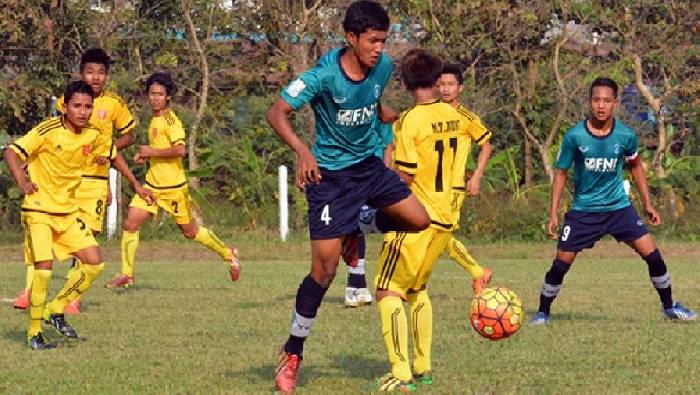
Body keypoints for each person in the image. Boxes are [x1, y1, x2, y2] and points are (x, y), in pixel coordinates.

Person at [266, 2, 430, 392]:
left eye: (384, 41)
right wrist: (303, 152)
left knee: (419, 220)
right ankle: (292, 352)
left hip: (370, 168)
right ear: (351, 37)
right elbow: (277, 113)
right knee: (323, 272)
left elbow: (369, 102)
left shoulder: (384, 69)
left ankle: (357, 225)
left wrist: (381, 111)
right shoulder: (322, 75)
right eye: (372, 41)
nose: (379, 49)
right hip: (330, 179)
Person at [530, 77, 696, 325]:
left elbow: (637, 167)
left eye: (607, 101)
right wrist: (553, 214)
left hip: (619, 209)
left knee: (653, 256)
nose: (601, 105)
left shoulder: (625, 136)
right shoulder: (575, 136)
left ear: (615, 104)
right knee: (561, 264)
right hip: (584, 212)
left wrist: (647, 204)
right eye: (596, 100)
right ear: (589, 102)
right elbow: (561, 173)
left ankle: (670, 306)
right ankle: (542, 312)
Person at [5, 80, 153, 349]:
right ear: (64, 107)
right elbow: (12, 152)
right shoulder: (48, 130)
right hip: (38, 210)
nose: (83, 111)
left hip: (68, 211)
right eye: (77, 106)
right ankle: (34, 332)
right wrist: (22, 181)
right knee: (44, 269)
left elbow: (113, 155)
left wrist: (135, 184)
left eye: (87, 106)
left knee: (94, 262)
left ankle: (56, 308)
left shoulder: (93, 134)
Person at [374, 48, 482, 391]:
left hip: (415, 219)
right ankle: (423, 366)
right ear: (437, 81)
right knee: (417, 289)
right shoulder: (453, 115)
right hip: (446, 218)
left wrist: (377, 197)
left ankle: (401, 373)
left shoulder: (410, 121)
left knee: (388, 290)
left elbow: (404, 178)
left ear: (405, 83)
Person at [12, 48, 137, 314]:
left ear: (107, 76)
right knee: (40, 240)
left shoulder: (114, 104)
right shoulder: (70, 99)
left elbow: (128, 136)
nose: (96, 77)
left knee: (86, 241)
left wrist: (107, 151)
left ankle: (72, 297)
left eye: (101, 73)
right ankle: (29, 290)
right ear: (81, 73)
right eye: (90, 71)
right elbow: (53, 133)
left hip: (94, 182)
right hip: (62, 181)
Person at [104, 72, 240, 289]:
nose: (155, 98)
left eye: (160, 94)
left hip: (174, 189)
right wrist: (146, 155)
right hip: (152, 186)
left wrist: (151, 151)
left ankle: (227, 253)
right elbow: (158, 151)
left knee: (190, 232)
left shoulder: (170, 120)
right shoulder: (154, 118)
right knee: (130, 224)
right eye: (152, 94)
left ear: (168, 97)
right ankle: (127, 274)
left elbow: (180, 150)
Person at [436, 63, 494, 295]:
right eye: (441, 84)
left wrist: (477, 175)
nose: (445, 89)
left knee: (440, 234)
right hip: (428, 186)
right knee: (429, 232)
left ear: (460, 88)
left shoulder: (467, 117)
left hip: (453, 188)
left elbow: (486, 146)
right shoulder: (428, 112)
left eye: (450, 84)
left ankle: (478, 273)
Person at [344, 119, 394, 308]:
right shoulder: (348, 111)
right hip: (351, 176)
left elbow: (388, 145)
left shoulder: (378, 115)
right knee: (355, 226)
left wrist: (386, 174)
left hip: (375, 176)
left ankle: (363, 284)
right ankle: (355, 286)